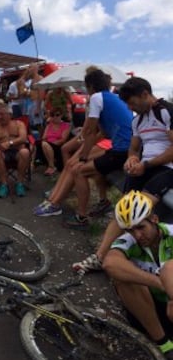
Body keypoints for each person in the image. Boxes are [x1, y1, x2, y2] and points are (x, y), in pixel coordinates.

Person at [73, 76, 173, 273]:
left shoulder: (166, 112)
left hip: (167, 168)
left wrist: (147, 163)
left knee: (137, 209)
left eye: (132, 103)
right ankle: (101, 256)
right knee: (123, 208)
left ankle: (153, 261)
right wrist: (132, 159)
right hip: (145, 166)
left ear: (145, 94)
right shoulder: (138, 120)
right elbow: (134, 148)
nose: (130, 108)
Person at [103, 190, 173, 360]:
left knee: (169, 268)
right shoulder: (129, 241)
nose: (137, 236)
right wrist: (160, 283)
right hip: (152, 308)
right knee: (123, 279)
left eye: (141, 227)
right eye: (130, 230)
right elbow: (110, 263)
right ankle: (164, 346)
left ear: (154, 220)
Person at [63, 69, 133, 229]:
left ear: (91, 86)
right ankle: (103, 202)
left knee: (79, 171)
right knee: (96, 169)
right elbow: (105, 132)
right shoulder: (114, 98)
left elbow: (89, 132)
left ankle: (81, 217)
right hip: (131, 148)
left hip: (122, 151)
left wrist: (82, 157)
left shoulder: (96, 97)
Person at [38, 108, 71, 175]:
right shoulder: (49, 125)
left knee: (44, 144)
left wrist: (51, 144)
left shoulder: (66, 125)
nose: (55, 117)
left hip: (58, 145)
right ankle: (34, 164)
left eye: (57, 115)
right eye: (52, 115)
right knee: (39, 143)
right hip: (47, 144)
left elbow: (63, 139)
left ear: (61, 115)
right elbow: (44, 137)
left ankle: (51, 166)